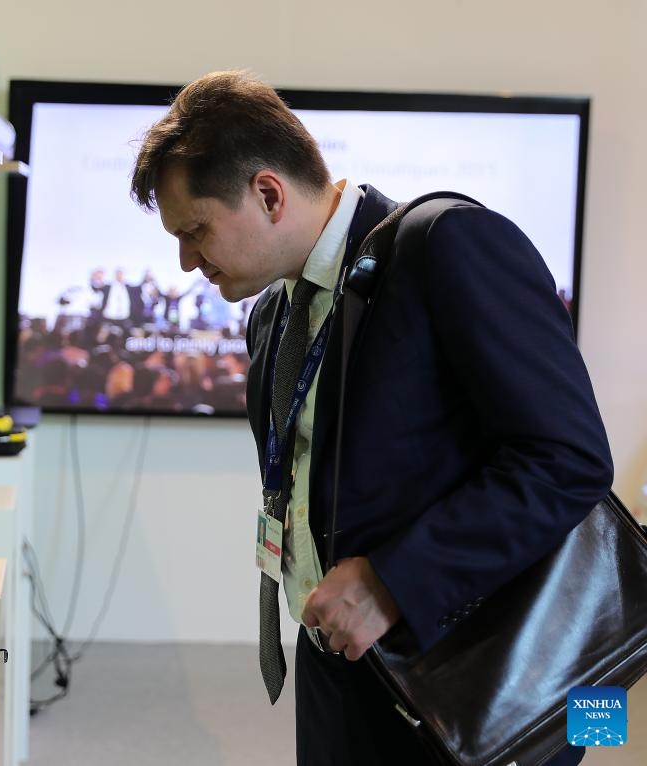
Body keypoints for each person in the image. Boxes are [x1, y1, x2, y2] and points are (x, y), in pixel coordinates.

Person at [130, 70, 613, 766]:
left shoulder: (447, 244)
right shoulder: (272, 315)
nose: (184, 262)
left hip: (477, 670)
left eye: (195, 230)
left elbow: (570, 460)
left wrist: (393, 581)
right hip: (340, 661)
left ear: (268, 193)